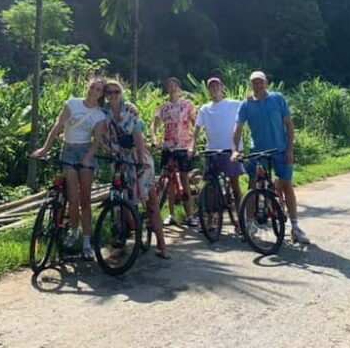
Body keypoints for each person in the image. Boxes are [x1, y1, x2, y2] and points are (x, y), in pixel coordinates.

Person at [31, 78, 107, 260]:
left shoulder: (99, 115)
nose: (93, 92)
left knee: (85, 199)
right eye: (92, 88)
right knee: (73, 198)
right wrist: (45, 149)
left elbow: (96, 140)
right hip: (68, 150)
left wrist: (88, 158)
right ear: (87, 88)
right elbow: (57, 127)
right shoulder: (72, 104)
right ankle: (73, 231)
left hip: (85, 150)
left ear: (101, 94)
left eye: (97, 90)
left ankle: (87, 241)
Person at [231, 71, 310, 244]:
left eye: (260, 82)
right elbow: (238, 128)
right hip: (257, 151)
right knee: (252, 186)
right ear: (250, 85)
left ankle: (295, 227)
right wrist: (235, 150)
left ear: (266, 83)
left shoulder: (277, 98)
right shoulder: (246, 104)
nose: (257, 85)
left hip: (280, 150)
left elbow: (288, 125)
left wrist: (290, 149)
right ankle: (250, 224)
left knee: (286, 185)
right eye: (254, 82)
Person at [102, 80, 169, 259]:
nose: (113, 95)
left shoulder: (130, 111)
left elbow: (138, 137)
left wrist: (139, 161)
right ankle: (122, 241)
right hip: (118, 160)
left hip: (137, 159)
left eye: (116, 91)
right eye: (109, 92)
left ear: (121, 93)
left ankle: (162, 245)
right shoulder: (103, 113)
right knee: (119, 201)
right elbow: (99, 135)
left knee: (151, 201)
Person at [151, 77, 197, 227]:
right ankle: (170, 214)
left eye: (175, 86)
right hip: (168, 146)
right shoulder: (163, 107)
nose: (172, 88)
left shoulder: (187, 105)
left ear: (179, 88)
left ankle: (190, 215)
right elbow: (155, 124)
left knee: (184, 179)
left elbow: (195, 124)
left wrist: (194, 143)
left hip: (183, 145)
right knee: (169, 181)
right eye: (169, 86)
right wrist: (154, 137)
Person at [194, 77, 245, 210]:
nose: (214, 88)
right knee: (210, 186)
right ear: (208, 90)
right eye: (211, 86)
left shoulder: (234, 104)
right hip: (212, 151)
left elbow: (248, 105)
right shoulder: (204, 109)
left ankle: (241, 219)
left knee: (235, 186)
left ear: (222, 88)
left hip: (230, 150)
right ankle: (211, 220)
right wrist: (192, 146)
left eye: (217, 86)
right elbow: (197, 128)